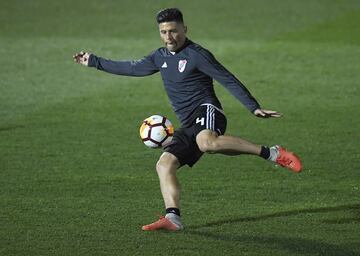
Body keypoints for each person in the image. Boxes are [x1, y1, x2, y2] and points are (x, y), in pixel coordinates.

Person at [73, 8, 302, 232]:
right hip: (189, 124)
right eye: (163, 32)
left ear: (184, 28)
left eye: (173, 31)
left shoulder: (197, 55)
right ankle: (173, 217)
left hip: (208, 110)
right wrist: (94, 61)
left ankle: (273, 153)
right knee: (164, 164)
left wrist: (253, 107)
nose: (168, 37)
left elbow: (227, 78)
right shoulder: (159, 57)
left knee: (207, 142)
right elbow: (132, 68)